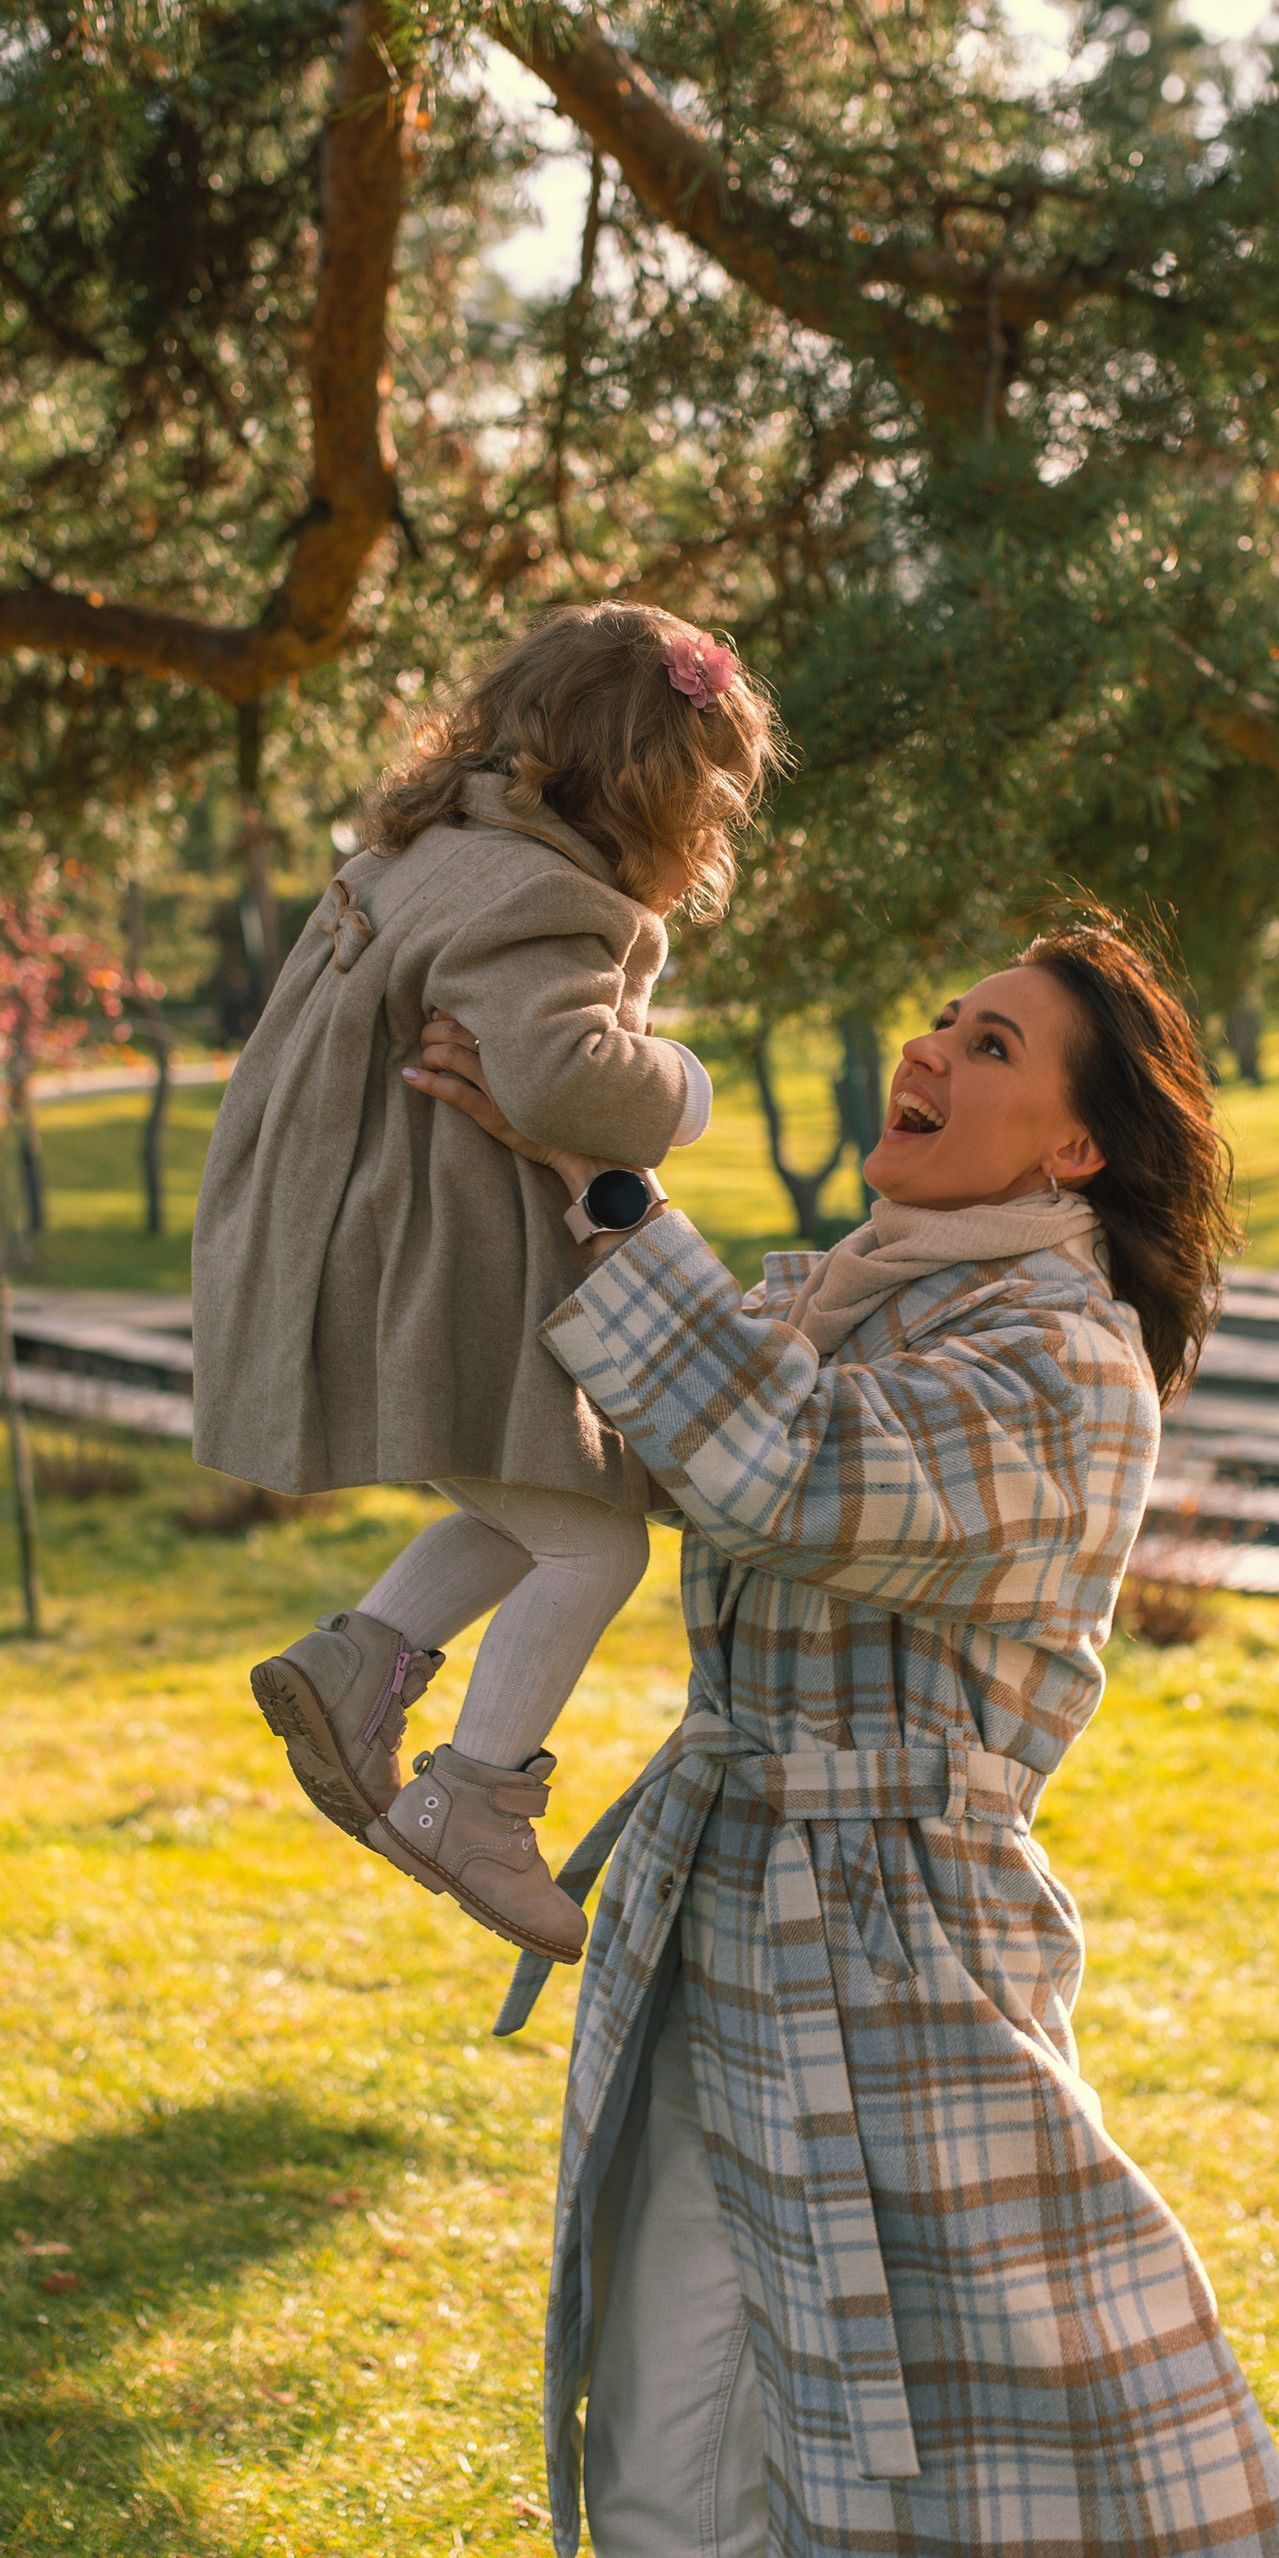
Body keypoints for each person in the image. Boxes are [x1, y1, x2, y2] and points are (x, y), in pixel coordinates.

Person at [406, 921, 1279, 2558]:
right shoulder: (861, 1289)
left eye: (991, 1044)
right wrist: (508, 1168)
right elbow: (678, 1436)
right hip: (722, 1924)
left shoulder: (1058, 1361)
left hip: (898, 1991)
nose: (932, 1050)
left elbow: (797, 1482)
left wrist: (612, 1195)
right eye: (941, 1020)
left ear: (1080, 1141)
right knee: (670, 2507)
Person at [191, 602, 775, 1962]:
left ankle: (359, 1662)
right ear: (663, 794)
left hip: (346, 1232)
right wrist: (681, 1087)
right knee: (598, 1538)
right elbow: (561, 1075)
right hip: (427, 1254)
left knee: (544, 1500)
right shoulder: (550, 898)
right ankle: (472, 1804)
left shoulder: (433, 852)